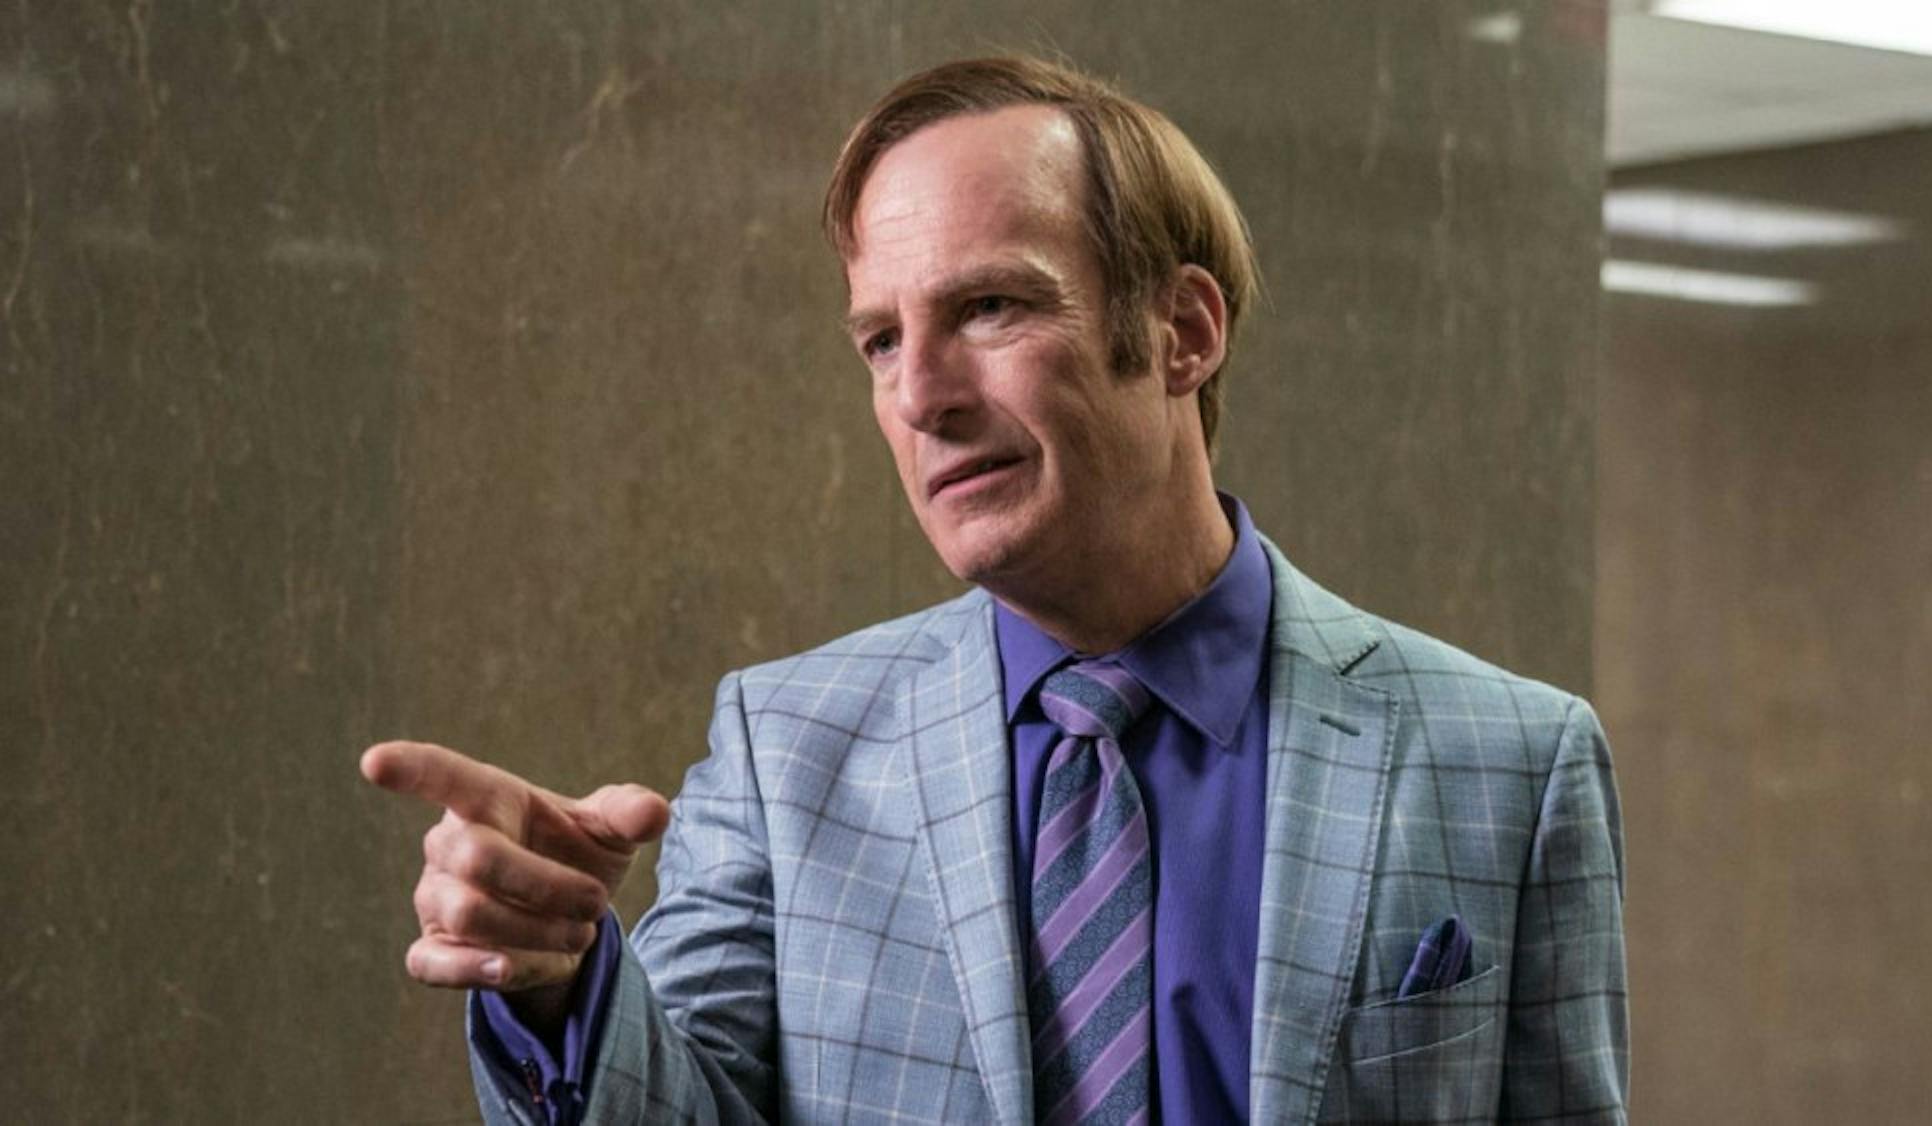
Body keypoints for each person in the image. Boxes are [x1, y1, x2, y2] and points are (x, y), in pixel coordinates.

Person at [362, 56, 1627, 1125]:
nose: (920, 396)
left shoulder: (1509, 762)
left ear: (1182, 332)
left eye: (987, 307)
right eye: (880, 339)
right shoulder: (783, 746)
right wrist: (559, 982)